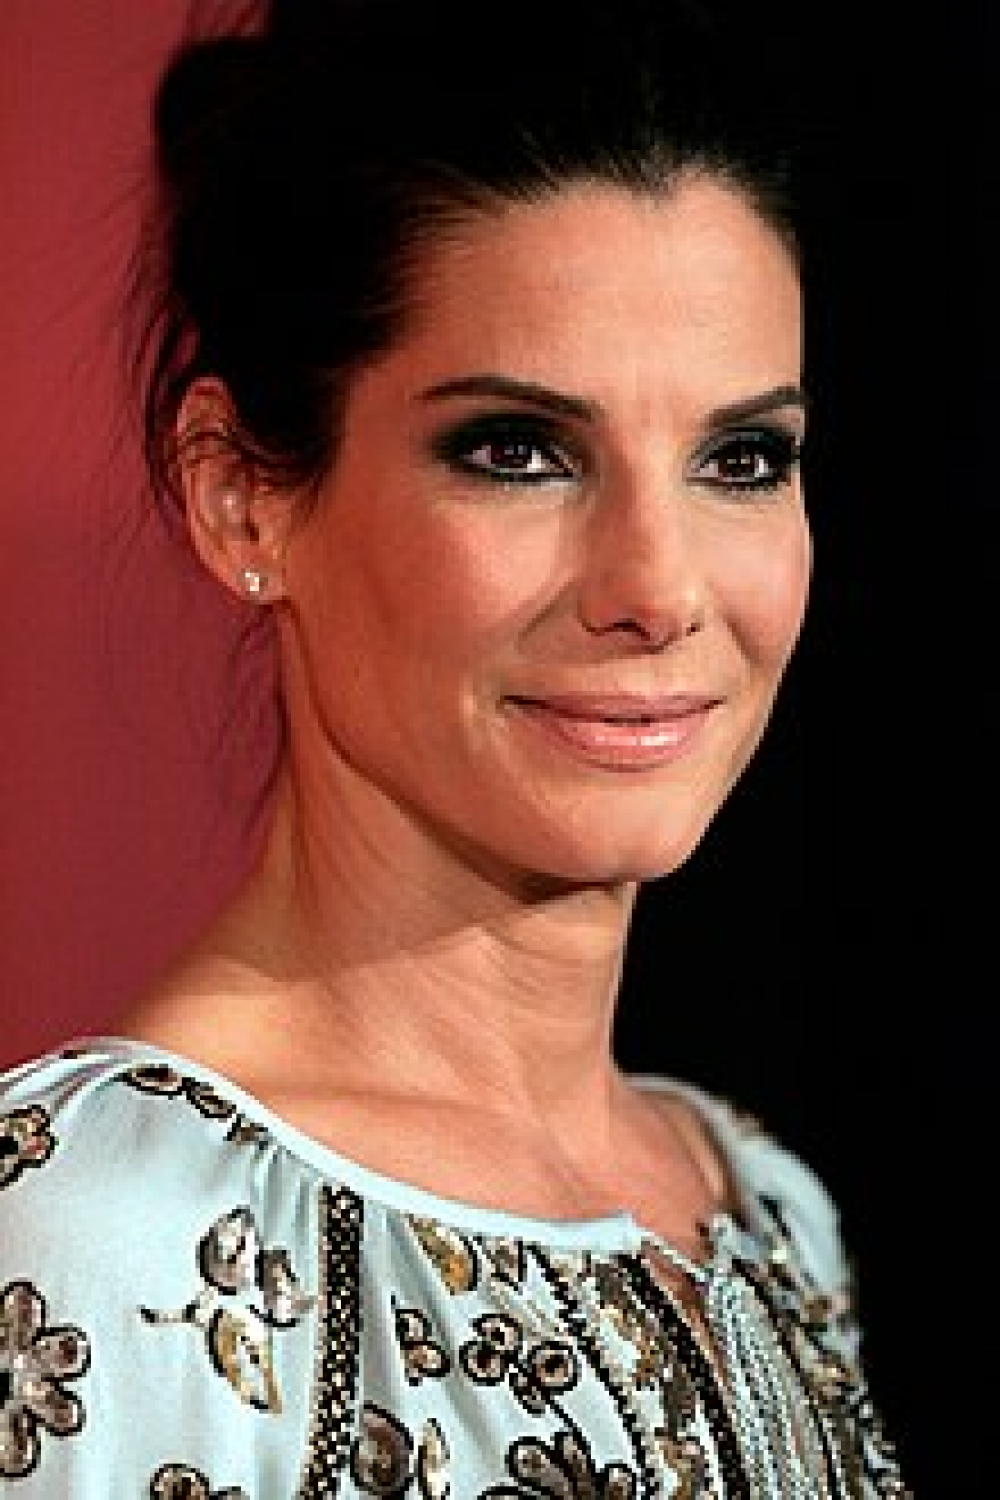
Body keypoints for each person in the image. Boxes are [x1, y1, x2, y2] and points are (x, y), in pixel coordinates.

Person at [0, 1, 909, 1494]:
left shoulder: (766, 1211)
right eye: (519, 451)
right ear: (241, 496)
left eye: (741, 459)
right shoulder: (93, 1238)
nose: (661, 589)